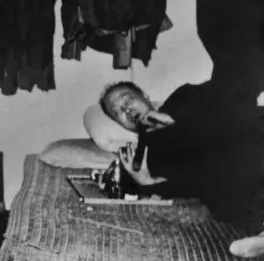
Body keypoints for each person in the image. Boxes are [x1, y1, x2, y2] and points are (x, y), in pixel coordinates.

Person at [99, 80, 264, 229]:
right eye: (117, 112)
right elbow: (191, 189)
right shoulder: (140, 160)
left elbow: (237, 99)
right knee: (224, 202)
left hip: (250, 144)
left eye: (128, 100)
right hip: (240, 187)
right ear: (118, 123)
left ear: (145, 96)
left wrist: (177, 120)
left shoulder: (184, 97)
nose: (126, 109)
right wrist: (148, 182)